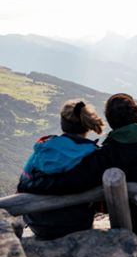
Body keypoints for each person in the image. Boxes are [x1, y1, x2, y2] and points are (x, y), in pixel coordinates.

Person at [18, 93, 137, 235]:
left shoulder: (108, 154)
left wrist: (30, 184)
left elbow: (71, 182)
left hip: (136, 222)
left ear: (109, 120)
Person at [19, 100, 105, 239]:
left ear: (62, 124)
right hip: (76, 224)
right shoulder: (93, 154)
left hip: (38, 224)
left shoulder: (44, 147)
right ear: (87, 126)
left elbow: (23, 182)